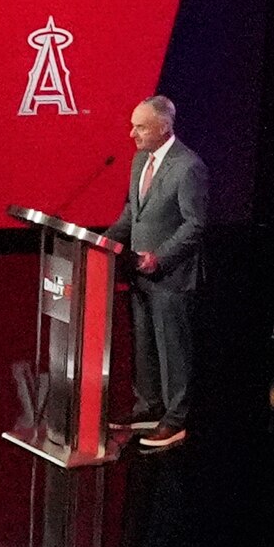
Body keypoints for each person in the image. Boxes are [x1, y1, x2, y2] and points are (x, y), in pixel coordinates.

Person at [110, 92, 208, 449]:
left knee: (172, 349)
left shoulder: (188, 166)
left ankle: (176, 419)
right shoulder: (140, 160)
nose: (132, 135)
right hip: (139, 273)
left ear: (164, 128)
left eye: (140, 128)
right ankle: (149, 406)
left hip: (170, 276)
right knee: (144, 344)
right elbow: (131, 213)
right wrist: (101, 241)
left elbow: (194, 225)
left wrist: (160, 257)